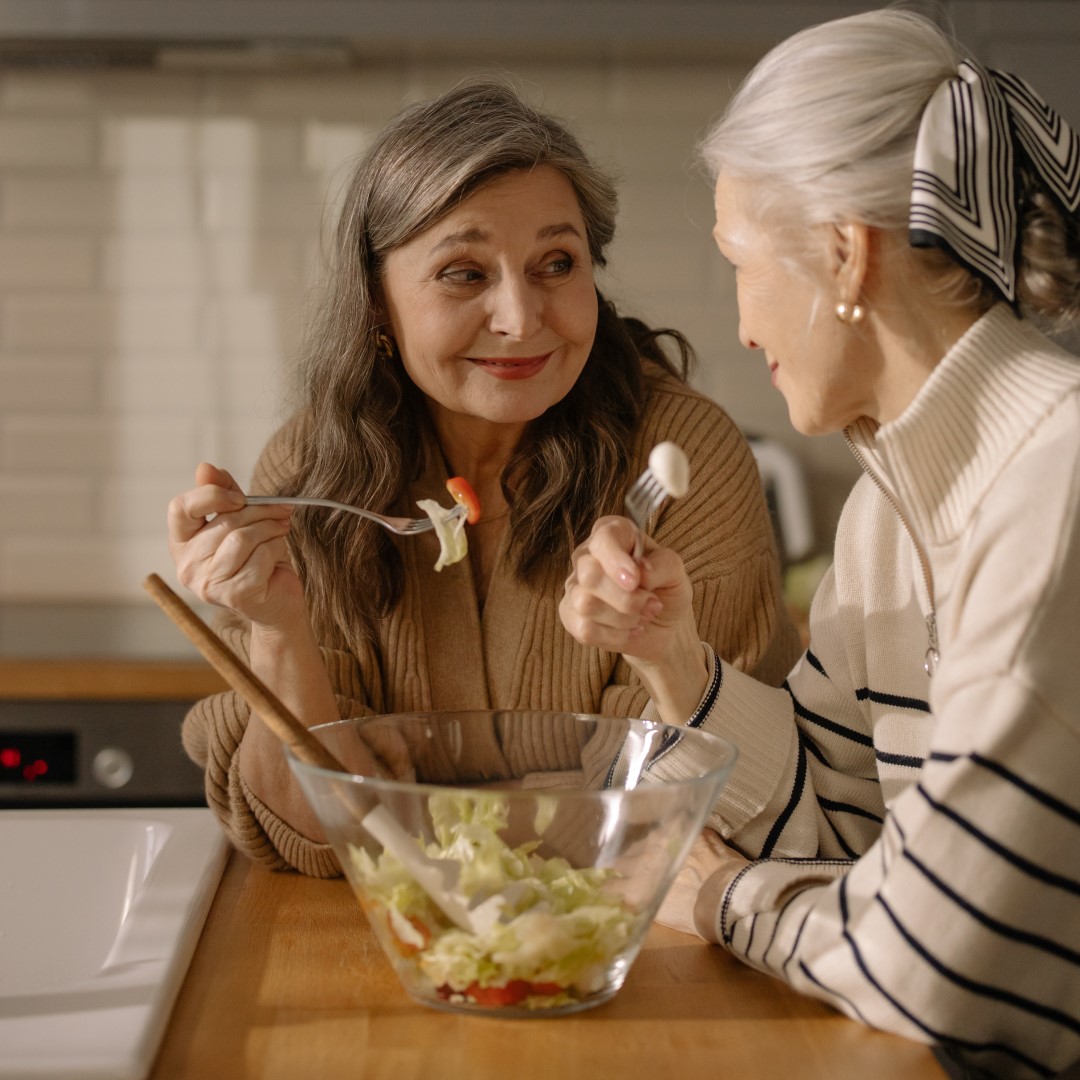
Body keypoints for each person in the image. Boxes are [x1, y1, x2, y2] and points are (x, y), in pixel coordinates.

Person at [559, 10, 1080, 1078]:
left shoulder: (1056, 486)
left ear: (845, 254)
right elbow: (841, 823)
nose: (742, 326)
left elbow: (936, 965)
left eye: (742, 264)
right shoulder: (890, 506)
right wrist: (673, 655)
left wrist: (712, 897)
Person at [168, 79, 801, 879]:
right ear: (374, 304)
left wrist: (396, 795)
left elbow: (697, 791)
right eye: (464, 273)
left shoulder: (680, 459)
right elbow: (313, 828)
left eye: (556, 264)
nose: (520, 316)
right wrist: (277, 629)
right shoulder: (309, 475)